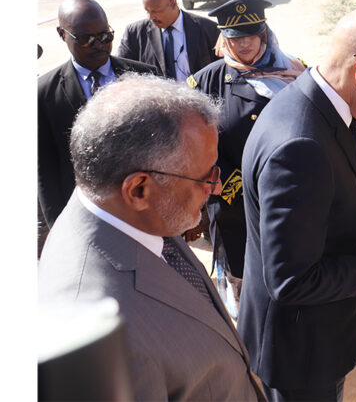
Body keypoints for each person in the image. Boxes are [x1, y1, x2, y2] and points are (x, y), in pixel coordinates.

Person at [238, 5, 356, 401]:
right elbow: (292, 279)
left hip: (317, 336)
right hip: (301, 355)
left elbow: (327, 229)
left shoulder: (321, 106)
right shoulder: (299, 145)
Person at [38, 74, 263, 401]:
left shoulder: (138, 214)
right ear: (138, 189)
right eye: (206, 177)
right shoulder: (94, 332)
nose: (216, 186)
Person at [187, 0, 305, 289]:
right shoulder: (205, 83)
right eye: (235, 37)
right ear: (224, 38)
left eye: (251, 35)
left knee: (289, 274)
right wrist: (231, 180)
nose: (244, 44)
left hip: (288, 194)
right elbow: (192, 142)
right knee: (243, 282)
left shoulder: (295, 72)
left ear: (263, 33)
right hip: (233, 203)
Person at [38, 0, 157, 230]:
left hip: (144, 211)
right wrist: (58, 228)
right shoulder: (43, 94)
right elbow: (46, 169)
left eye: (105, 36)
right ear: (62, 34)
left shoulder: (147, 77)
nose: (98, 44)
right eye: (86, 39)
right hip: (84, 220)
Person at [117, 0, 220, 81]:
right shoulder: (134, 34)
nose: (150, 17)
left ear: (172, 3)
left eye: (155, 11)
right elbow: (119, 73)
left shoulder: (209, 30)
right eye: (147, 11)